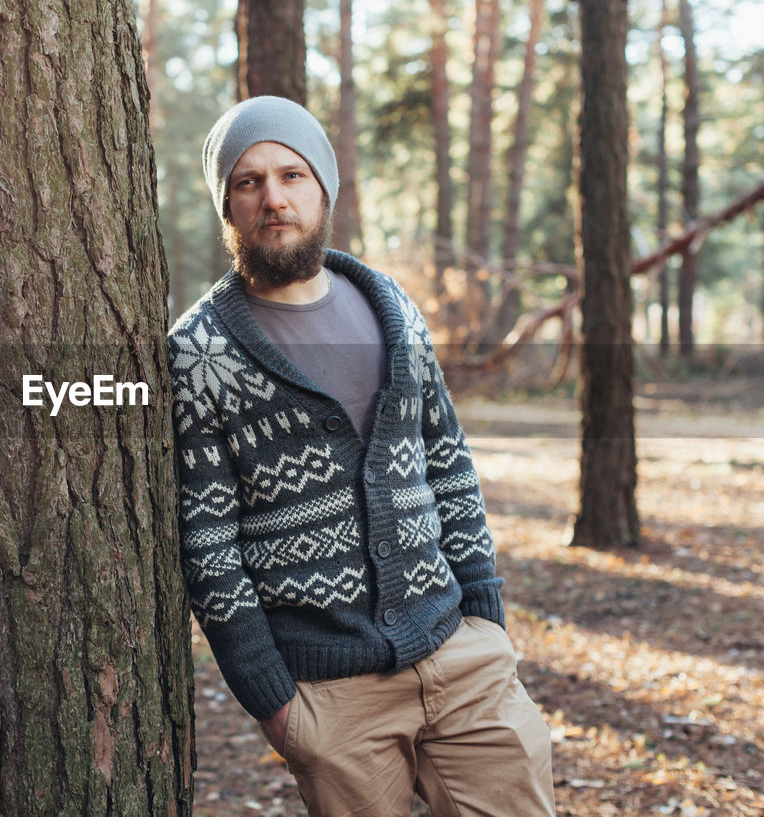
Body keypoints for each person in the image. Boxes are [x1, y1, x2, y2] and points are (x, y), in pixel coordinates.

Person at [166, 96, 555, 816]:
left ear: (325, 188)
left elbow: (448, 464)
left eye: (291, 174)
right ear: (227, 205)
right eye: (247, 182)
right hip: (330, 696)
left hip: (462, 659)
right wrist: (277, 704)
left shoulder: (391, 306)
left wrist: (485, 615)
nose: (273, 198)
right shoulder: (200, 351)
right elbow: (207, 543)